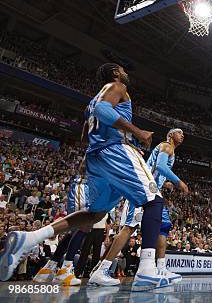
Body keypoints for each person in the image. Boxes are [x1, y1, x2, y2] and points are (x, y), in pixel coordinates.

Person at [0, 63, 170, 290]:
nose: (126, 74)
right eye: (123, 70)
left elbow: (84, 134)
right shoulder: (117, 86)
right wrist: (136, 132)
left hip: (95, 158)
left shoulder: (89, 104)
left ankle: (30, 238)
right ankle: (148, 269)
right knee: (154, 200)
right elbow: (103, 111)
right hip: (114, 151)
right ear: (116, 73)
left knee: (94, 214)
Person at [88, 129, 188, 286]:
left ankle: (160, 268)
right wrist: (177, 181)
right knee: (129, 228)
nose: (182, 135)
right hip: (141, 191)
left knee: (162, 228)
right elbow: (161, 166)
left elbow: (156, 170)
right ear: (170, 135)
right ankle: (102, 268)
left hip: (152, 192)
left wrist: (165, 182)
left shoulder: (170, 150)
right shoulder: (166, 146)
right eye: (179, 132)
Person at [32, 172, 91, 286]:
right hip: (86, 186)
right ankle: (65, 269)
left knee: (77, 230)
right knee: (84, 225)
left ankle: (48, 269)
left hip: (91, 186)